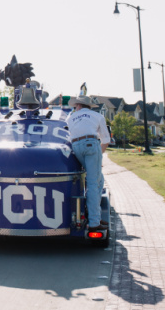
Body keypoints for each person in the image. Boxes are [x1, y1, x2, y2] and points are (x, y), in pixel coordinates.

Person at [65, 95, 111, 231]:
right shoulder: (96, 116)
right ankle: (94, 221)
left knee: (99, 179)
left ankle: (94, 214)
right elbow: (106, 140)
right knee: (93, 183)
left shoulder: (70, 118)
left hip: (76, 147)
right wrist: (98, 157)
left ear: (78, 106)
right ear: (88, 106)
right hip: (91, 144)